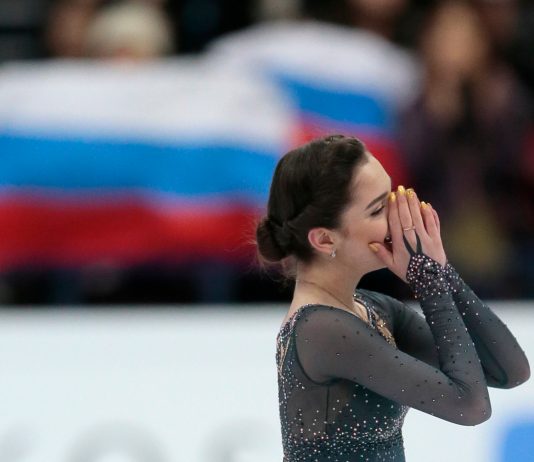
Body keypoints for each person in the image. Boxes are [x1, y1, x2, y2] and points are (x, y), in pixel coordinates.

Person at [254, 134, 530, 461]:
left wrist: (440, 270)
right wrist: (428, 281)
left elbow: (509, 371)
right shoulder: (320, 329)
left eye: (393, 198)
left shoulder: (374, 309)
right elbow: (469, 405)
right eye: (378, 209)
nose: (399, 218)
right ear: (325, 239)